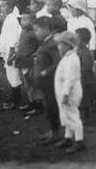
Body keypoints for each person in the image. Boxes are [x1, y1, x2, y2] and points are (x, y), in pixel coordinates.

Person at [53, 31, 85, 154]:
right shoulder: (67, 57)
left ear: (68, 45)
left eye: (61, 44)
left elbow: (69, 79)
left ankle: (79, 141)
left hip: (70, 93)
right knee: (66, 114)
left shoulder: (72, 59)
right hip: (65, 92)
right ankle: (68, 137)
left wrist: (66, 94)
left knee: (72, 116)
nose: (59, 47)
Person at [34, 16, 62, 144]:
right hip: (45, 82)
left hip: (51, 82)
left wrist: (46, 72)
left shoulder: (51, 44)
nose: (35, 33)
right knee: (49, 106)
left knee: (52, 107)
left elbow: (58, 62)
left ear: (46, 29)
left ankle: (56, 133)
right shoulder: (46, 43)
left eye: (37, 30)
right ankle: (53, 130)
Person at [0, 0, 23, 109]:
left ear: (11, 8)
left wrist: (11, 54)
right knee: (10, 74)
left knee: (13, 75)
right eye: (1, 6)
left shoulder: (13, 20)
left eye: (4, 6)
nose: (1, 8)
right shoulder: (8, 18)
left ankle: (15, 101)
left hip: (10, 52)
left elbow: (15, 38)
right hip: (6, 50)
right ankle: (15, 98)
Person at [15, 12, 41, 114]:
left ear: (32, 20)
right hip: (22, 60)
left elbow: (40, 45)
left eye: (26, 19)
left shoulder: (34, 32)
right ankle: (31, 102)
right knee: (27, 83)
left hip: (30, 61)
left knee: (32, 83)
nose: (23, 22)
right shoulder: (23, 31)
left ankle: (37, 105)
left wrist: (35, 55)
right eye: (21, 19)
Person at [74, 27, 96, 121]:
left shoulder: (85, 52)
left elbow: (87, 66)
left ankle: (85, 116)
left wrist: (77, 70)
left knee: (84, 97)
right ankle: (81, 114)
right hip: (78, 77)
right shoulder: (77, 50)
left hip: (84, 79)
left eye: (76, 38)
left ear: (83, 40)